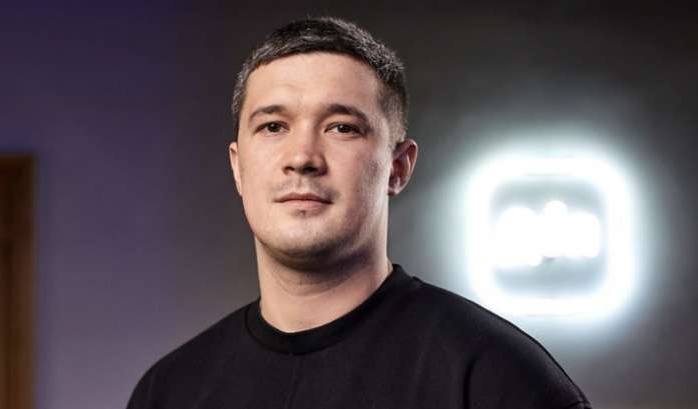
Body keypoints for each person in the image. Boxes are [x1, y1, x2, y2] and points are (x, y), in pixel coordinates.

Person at [126, 16, 591, 409]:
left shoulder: (498, 379)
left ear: (398, 167)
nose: (302, 157)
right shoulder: (168, 392)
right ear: (237, 167)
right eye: (273, 126)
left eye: (341, 127)